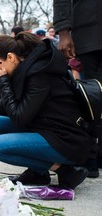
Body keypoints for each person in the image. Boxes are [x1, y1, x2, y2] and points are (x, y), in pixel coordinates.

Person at [0, 32, 94, 189]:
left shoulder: (38, 74)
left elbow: (19, 118)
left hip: (67, 140)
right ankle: (38, 173)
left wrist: (2, 81)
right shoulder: (24, 70)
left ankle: (65, 170)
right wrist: (1, 82)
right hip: (46, 128)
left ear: (11, 58)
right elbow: (5, 112)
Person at [54, 0, 102, 178]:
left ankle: (97, 155)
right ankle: (90, 156)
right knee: (91, 98)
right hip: (89, 32)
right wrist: (63, 31)